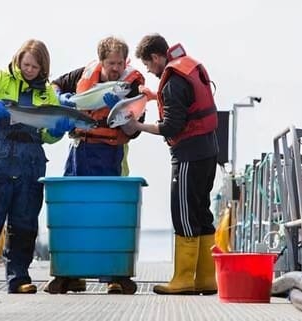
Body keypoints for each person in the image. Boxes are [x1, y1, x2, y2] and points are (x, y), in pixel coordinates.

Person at [0, 39, 74, 294]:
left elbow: (46, 135)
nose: (29, 70)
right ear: (18, 60)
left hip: (30, 159)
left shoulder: (48, 93)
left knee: (25, 222)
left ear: (43, 68)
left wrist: (57, 131)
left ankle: (19, 277)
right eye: (26, 64)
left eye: (35, 66)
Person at [44, 36, 145, 295]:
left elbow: (134, 131)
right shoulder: (82, 74)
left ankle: (113, 275)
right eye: (111, 63)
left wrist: (121, 112)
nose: (115, 68)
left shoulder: (131, 86)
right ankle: (72, 274)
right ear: (101, 61)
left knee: (109, 214)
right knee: (74, 213)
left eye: (120, 63)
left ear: (126, 62)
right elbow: (53, 84)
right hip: (79, 150)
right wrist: (60, 98)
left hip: (111, 153)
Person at [127, 33, 219, 295]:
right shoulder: (185, 68)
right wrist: (156, 97)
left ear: (156, 57)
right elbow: (184, 104)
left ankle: (183, 279)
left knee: (184, 215)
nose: (149, 70)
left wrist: (137, 126)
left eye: (148, 65)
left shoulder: (172, 81)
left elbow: (171, 126)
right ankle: (205, 279)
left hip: (189, 156)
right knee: (202, 212)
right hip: (208, 151)